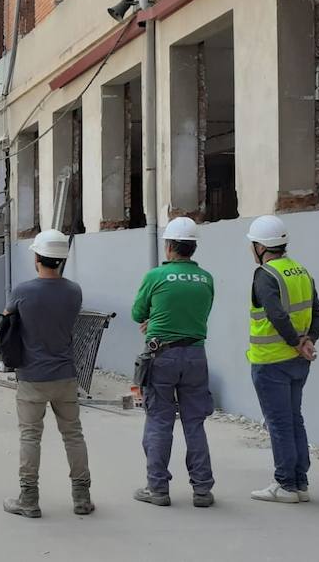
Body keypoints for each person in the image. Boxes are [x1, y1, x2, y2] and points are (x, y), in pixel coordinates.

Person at [2, 229, 92, 518]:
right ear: (62, 260)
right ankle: (82, 497)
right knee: (73, 435)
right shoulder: (74, 291)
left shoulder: (23, 292)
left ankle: (29, 499)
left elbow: (8, 322)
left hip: (32, 376)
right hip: (65, 374)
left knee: (30, 436)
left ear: (38, 257)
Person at [130, 217, 216, 508]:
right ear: (192, 247)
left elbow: (137, 312)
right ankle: (202, 490)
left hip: (161, 356)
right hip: (195, 356)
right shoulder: (206, 278)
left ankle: (157, 489)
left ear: (169, 246)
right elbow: (196, 314)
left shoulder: (155, 276)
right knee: (195, 423)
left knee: (159, 421)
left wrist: (154, 319)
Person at [245, 215, 319, 504]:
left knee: (279, 423)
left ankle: (285, 485)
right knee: (294, 419)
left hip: (270, 362)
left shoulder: (266, 275)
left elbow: (275, 314)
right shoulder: (301, 271)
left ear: (260, 246)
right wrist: (308, 342)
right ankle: (300, 482)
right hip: (298, 363)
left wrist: (295, 342)